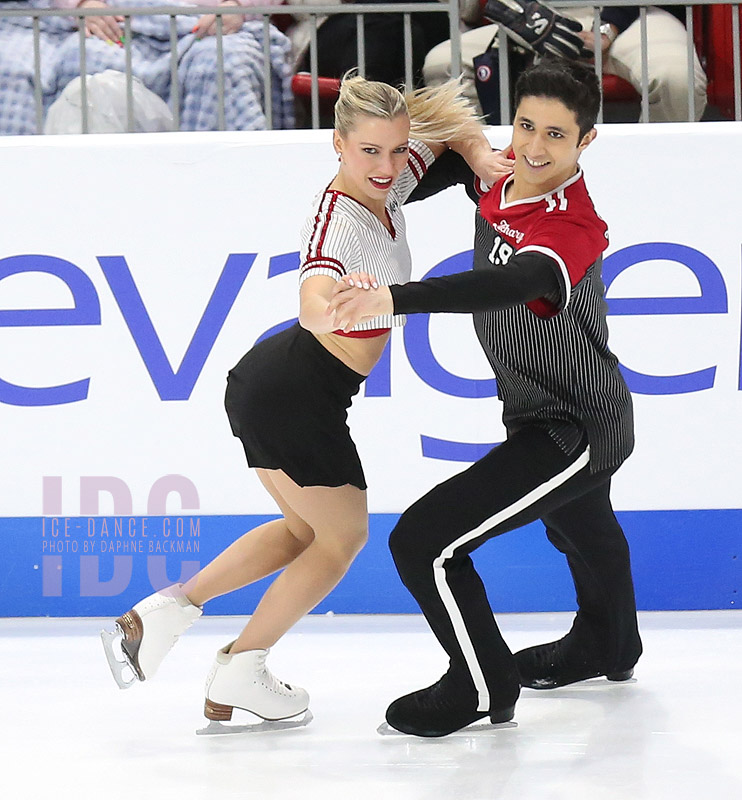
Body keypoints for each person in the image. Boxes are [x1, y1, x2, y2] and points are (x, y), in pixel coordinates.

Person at [100, 72, 513, 732]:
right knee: (342, 538)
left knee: (304, 532)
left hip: (282, 388)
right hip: (294, 393)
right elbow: (313, 298)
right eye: (369, 151)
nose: (386, 166)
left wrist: (481, 154)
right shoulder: (335, 223)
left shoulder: (388, 178)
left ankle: (163, 615)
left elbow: (449, 133)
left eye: (394, 149)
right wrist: (334, 309)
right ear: (338, 145)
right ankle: (241, 666)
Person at [329, 57, 643, 738]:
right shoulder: (501, 175)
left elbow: (509, 283)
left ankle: (480, 684)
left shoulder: (571, 226)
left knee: (424, 542)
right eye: (525, 126)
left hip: (576, 426)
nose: (533, 148)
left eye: (556, 135)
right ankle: (611, 643)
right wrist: (459, 152)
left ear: (586, 140)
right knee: (579, 522)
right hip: (542, 409)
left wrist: (394, 298)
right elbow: (419, 167)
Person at [423, 1, 707, 123]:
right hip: (535, 18)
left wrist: (607, 28)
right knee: (443, 63)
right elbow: (470, 9)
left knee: (675, 77)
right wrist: (523, 16)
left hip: (633, 12)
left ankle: (654, 171)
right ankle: (487, 174)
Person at [50, 0, 294, 131]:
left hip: (211, 22)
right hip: (122, 19)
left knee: (223, 62)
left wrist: (239, 6)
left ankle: (218, 180)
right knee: (81, 57)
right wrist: (83, 4)